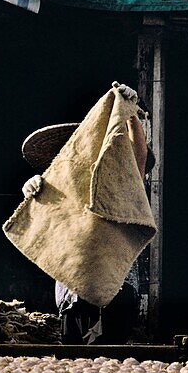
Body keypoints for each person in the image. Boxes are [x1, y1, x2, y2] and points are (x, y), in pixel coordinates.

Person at [20, 82, 154, 343]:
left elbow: (138, 159)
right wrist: (32, 191)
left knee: (113, 362)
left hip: (116, 289)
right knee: (75, 361)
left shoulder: (120, 186)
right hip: (73, 292)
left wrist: (131, 113)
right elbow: (43, 226)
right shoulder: (58, 191)